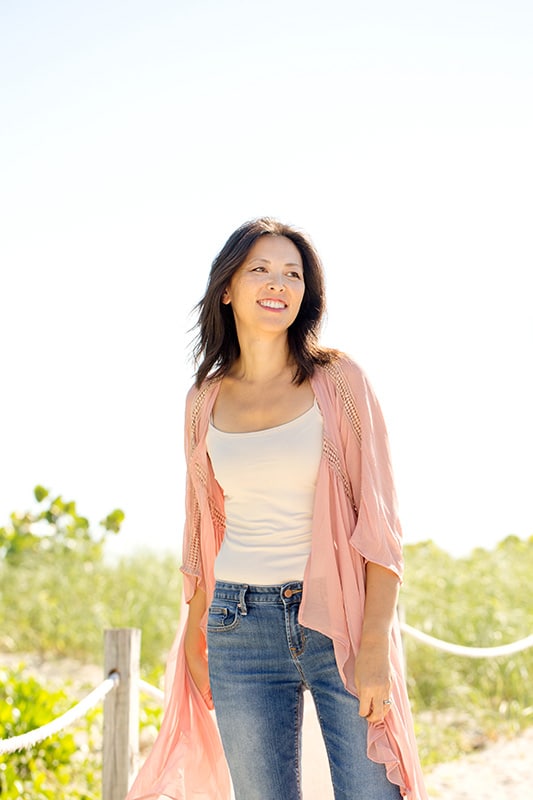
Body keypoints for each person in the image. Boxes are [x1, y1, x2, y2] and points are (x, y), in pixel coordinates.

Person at [126, 218, 428, 800]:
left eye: (293, 273)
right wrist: (194, 629)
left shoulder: (339, 381)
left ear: (305, 294)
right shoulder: (202, 399)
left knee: (374, 790)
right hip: (236, 624)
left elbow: (380, 524)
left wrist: (373, 646)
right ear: (227, 289)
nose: (278, 283)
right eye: (260, 269)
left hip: (336, 621)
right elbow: (198, 527)